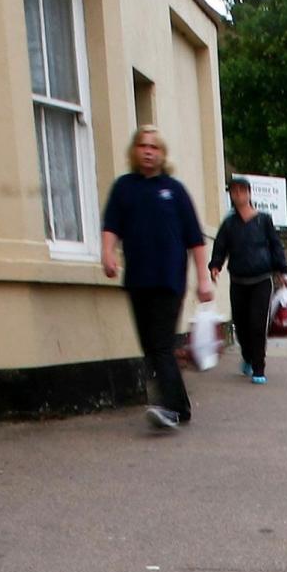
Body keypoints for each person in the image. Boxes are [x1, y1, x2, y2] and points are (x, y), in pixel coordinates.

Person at [100, 126, 210, 431]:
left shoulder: (174, 190)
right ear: (135, 151)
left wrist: (203, 279)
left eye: (154, 147)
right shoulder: (124, 188)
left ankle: (171, 408)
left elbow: (195, 239)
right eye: (143, 146)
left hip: (168, 280)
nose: (148, 151)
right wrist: (108, 253)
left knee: (161, 345)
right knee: (150, 347)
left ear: (162, 154)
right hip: (138, 279)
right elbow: (111, 225)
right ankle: (181, 406)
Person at [210, 177, 287, 385]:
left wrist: (282, 271)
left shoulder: (263, 220)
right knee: (241, 324)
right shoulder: (229, 224)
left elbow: (275, 246)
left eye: (242, 190)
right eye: (234, 191)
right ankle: (246, 355)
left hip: (261, 280)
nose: (238, 194)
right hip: (238, 280)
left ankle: (258, 367)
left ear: (249, 193)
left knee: (257, 324)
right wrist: (215, 265)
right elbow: (220, 247)